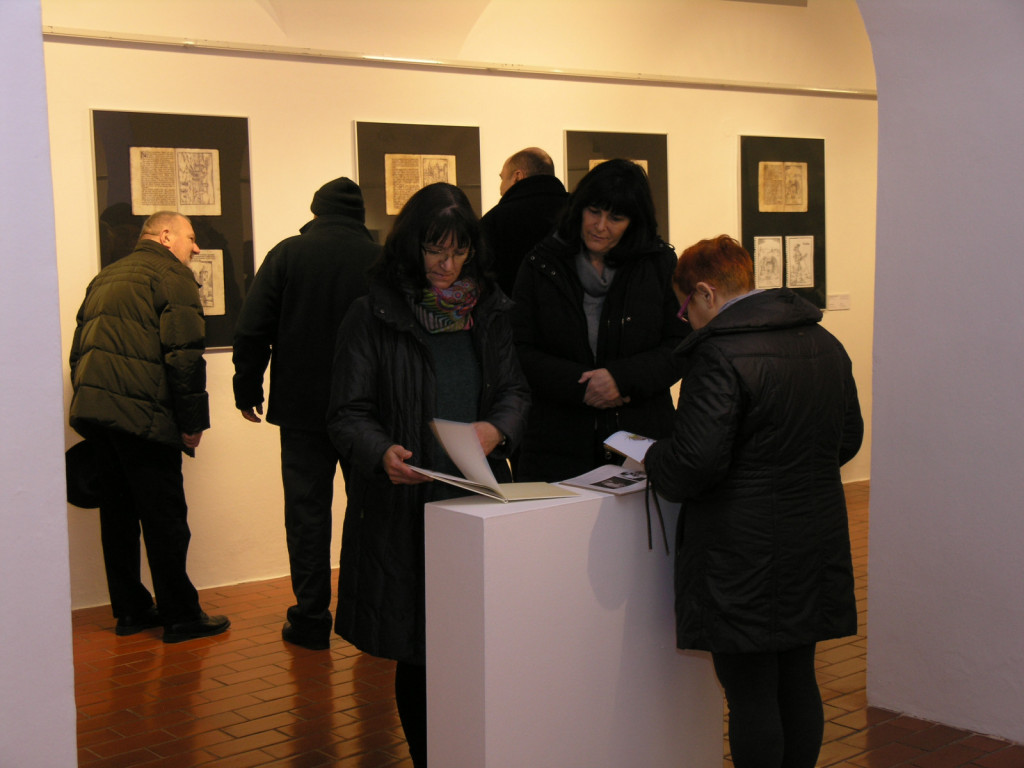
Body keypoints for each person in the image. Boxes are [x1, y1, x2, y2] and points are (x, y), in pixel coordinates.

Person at [327, 183, 529, 767]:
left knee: (475, 641)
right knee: (419, 649)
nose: (447, 265)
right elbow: (346, 411)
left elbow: (514, 391)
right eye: (435, 250)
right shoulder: (374, 313)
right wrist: (381, 452)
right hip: (405, 507)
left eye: (459, 251)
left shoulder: (489, 310)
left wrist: (497, 429)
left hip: (475, 501)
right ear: (410, 247)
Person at [643, 235, 863, 768]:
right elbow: (848, 439)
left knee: (750, 692)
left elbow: (695, 463)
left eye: (685, 308)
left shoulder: (718, 353)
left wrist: (652, 457)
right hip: (811, 536)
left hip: (740, 551)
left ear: (705, 293)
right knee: (797, 678)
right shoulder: (822, 341)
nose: (687, 320)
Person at [232, 177, 381, 651]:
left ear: (316, 211)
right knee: (368, 512)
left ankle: (311, 619)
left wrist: (247, 386)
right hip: (367, 411)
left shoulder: (288, 254)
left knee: (306, 516)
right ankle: (367, 615)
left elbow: (252, 327)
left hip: (301, 409)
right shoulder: (378, 259)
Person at [69, 211, 230, 644]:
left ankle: (131, 610)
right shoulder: (171, 275)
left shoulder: (105, 276)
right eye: (191, 237)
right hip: (144, 415)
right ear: (165, 235)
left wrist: (92, 401)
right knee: (165, 518)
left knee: (118, 516)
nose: (196, 247)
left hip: (99, 414)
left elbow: (78, 351)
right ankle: (181, 616)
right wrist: (192, 422)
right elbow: (184, 354)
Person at [511, 158, 687, 482]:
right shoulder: (541, 264)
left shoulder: (658, 264)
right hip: (555, 445)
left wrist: (622, 379)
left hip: (639, 443)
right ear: (578, 208)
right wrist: (583, 385)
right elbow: (519, 349)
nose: (600, 226)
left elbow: (680, 345)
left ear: (634, 221)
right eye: (593, 212)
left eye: (615, 218)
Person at [480, 147, 568, 295]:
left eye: (502, 178)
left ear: (517, 177)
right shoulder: (576, 212)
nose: (500, 188)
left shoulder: (495, 220)